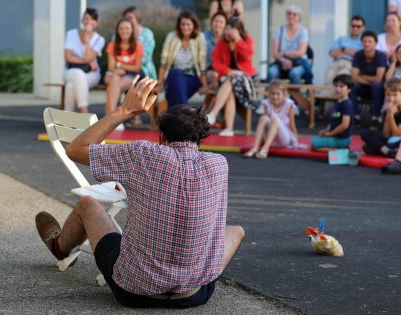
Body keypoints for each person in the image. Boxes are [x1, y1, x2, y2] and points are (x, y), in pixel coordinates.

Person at [35, 76, 245, 308]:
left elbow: (74, 150)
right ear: (200, 138)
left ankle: (59, 247)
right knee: (236, 231)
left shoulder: (144, 155)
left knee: (88, 204)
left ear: (161, 136)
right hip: (193, 294)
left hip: (134, 290)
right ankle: (188, 276)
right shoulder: (219, 164)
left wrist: (125, 109)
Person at [206, 16, 255, 137]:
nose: (228, 32)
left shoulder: (247, 40)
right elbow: (216, 63)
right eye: (227, 29)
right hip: (228, 78)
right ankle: (229, 129)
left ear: (238, 30)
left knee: (230, 82)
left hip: (245, 79)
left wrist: (238, 40)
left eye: (232, 29)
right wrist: (228, 71)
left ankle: (213, 113)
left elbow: (247, 56)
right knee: (230, 90)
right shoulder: (221, 43)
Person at [156, 11, 208, 109]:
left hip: (192, 78)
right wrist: (161, 83)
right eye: (182, 24)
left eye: (188, 24)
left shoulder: (199, 37)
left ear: (194, 25)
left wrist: (205, 85)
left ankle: (176, 115)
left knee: (173, 93)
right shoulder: (172, 36)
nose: (185, 27)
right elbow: (163, 63)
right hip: (173, 76)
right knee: (176, 73)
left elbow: (202, 64)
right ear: (179, 25)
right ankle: (186, 112)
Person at [361, 78, 401, 157]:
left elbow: (397, 133)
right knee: (365, 133)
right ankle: (387, 151)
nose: (391, 98)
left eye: (395, 95)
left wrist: (390, 115)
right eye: (388, 95)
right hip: (392, 139)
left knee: (372, 146)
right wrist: (388, 115)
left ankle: (381, 149)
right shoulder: (388, 108)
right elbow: (386, 135)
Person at [122, 6, 158, 127]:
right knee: (120, 78)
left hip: (144, 69)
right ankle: (122, 114)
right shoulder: (123, 31)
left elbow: (146, 57)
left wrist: (126, 63)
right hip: (126, 70)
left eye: (131, 17)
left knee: (134, 79)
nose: (128, 20)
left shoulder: (147, 34)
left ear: (137, 17)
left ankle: (131, 115)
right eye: (126, 18)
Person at [63, 8, 105, 113]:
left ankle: (67, 116)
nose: (88, 22)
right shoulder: (71, 34)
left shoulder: (100, 39)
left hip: (92, 73)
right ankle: (84, 110)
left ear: (96, 23)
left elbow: (88, 57)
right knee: (78, 74)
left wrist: (86, 42)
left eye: (92, 19)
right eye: (86, 18)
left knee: (71, 85)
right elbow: (68, 57)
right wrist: (89, 62)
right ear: (82, 20)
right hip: (70, 71)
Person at [243, 80, 298, 159]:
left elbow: (292, 124)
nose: (275, 97)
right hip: (271, 140)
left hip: (284, 139)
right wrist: (261, 141)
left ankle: (265, 149)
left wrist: (295, 139)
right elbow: (265, 125)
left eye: (278, 94)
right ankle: (255, 148)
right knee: (263, 118)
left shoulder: (289, 104)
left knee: (274, 119)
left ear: (284, 94)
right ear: (269, 94)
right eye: (272, 93)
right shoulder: (267, 103)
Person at [104, 18, 144, 130]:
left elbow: (137, 67)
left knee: (113, 84)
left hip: (132, 75)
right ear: (117, 30)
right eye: (121, 28)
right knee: (115, 79)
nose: (124, 31)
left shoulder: (137, 45)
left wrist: (120, 66)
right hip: (115, 74)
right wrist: (117, 69)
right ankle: (113, 118)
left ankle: (110, 118)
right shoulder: (113, 45)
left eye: (127, 28)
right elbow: (110, 66)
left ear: (132, 30)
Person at [266, 5, 312, 85]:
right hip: (281, 62)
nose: (291, 16)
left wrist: (285, 53)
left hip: (299, 62)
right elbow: (275, 53)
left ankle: (295, 97)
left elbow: (301, 52)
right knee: (271, 72)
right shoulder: (279, 31)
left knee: (294, 73)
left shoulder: (303, 31)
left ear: (299, 17)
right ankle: (272, 95)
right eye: (289, 13)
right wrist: (283, 60)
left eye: (294, 14)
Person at [350, 30, 388, 125]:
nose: (366, 44)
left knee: (376, 86)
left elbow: (379, 79)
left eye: (370, 41)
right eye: (364, 41)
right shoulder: (358, 54)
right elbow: (354, 76)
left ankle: (375, 116)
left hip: (377, 89)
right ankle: (355, 116)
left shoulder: (381, 56)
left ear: (375, 43)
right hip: (363, 88)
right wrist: (371, 80)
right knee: (351, 86)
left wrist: (361, 76)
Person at [311, 74, 355, 149]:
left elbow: (344, 125)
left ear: (349, 89)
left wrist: (331, 134)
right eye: (336, 86)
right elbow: (333, 120)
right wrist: (326, 131)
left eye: (341, 86)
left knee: (314, 144)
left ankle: (341, 150)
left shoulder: (347, 104)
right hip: (335, 136)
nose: (338, 89)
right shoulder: (337, 102)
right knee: (316, 139)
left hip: (341, 139)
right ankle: (341, 147)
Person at [325, 16, 365, 85]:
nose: (355, 28)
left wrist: (343, 50)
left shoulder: (364, 40)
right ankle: (327, 96)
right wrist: (347, 51)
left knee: (341, 78)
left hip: (351, 63)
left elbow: (361, 55)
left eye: (358, 26)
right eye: (353, 26)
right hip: (337, 62)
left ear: (363, 28)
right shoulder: (341, 38)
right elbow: (331, 53)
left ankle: (339, 95)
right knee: (329, 77)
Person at [204, 12, 228, 92]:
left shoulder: (228, 38)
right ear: (212, 22)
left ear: (225, 25)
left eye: (221, 22)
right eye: (216, 21)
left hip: (223, 67)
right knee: (213, 75)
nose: (218, 24)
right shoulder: (204, 36)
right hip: (208, 68)